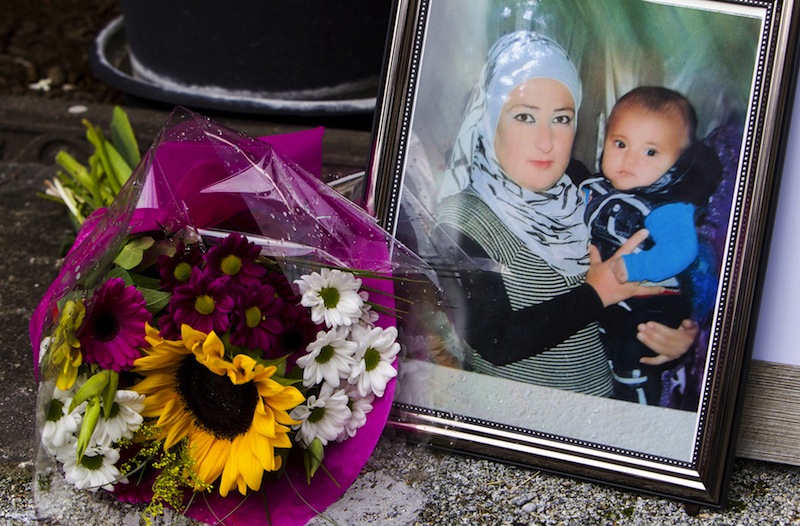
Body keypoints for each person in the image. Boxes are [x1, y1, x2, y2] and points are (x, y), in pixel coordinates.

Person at [432, 31, 697, 397]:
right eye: (524, 117)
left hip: (609, 407)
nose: (546, 141)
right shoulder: (459, 220)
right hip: (524, 428)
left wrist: (675, 340)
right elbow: (495, 340)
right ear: (486, 120)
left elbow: (633, 293)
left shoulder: (583, 187)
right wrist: (595, 294)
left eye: (561, 118)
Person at [581, 86, 722, 405]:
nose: (629, 159)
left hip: (651, 306)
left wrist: (634, 267)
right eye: (620, 144)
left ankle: (637, 407)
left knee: (633, 362)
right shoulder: (596, 188)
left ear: (679, 162)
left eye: (651, 152)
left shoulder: (668, 206)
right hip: (608, 304)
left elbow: (680, 251)